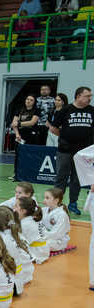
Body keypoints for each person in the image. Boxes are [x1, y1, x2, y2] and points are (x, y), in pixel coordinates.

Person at [49, 86, 94, 215]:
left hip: (83, 154)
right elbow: (53, 128)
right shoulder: (65, 110)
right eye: (87, 96)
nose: (90, 98)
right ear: (78, 96)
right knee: (61, 178)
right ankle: (56, 204)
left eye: (90, 96)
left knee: (77, 179)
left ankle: (73, 203)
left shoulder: (92, 111)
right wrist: (65, 137)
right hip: (65, 150)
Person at [15, 197, 50, 264]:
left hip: (36, 253)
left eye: (16, 206)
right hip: (44, 250)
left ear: (23, 211)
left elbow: (19, 241)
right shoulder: (34, 219)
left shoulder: (25, 224)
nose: (14, 209)